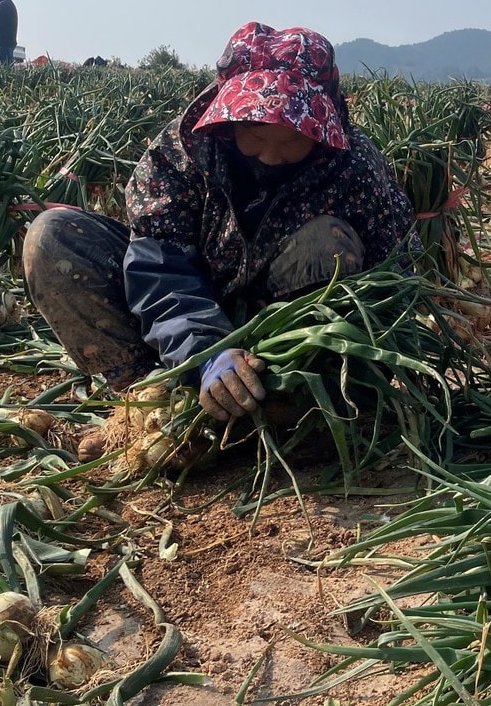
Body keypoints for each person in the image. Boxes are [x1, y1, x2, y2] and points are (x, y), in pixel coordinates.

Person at [22, 21, 415, 422]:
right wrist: (203, 351)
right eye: (256, 136)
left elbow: (395, 274)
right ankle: (151, 402)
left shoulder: (354, 166)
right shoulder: (181, 151)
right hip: (182, 317)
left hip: (285, 335)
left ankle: (295, 401)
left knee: (326, 243)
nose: (270, 156)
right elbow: (160, 264)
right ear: (229, 120)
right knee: (52, 236)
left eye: (293, 140)